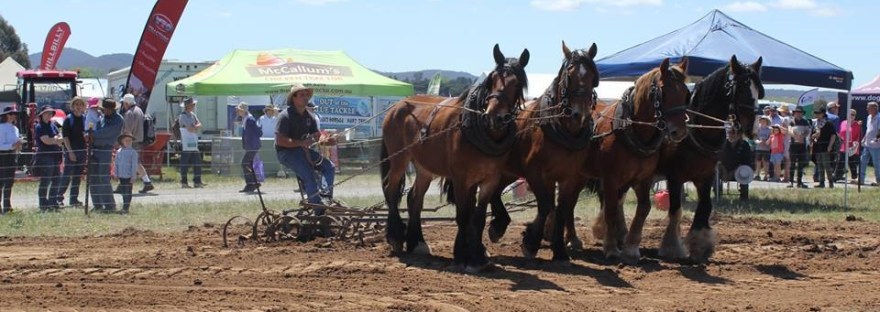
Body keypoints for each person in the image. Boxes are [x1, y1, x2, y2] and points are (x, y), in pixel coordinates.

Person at [275, 84, 335, 212]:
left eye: (307, 95)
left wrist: (325, 139)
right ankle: (319, 210)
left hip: (301, 151)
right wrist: (301, 143)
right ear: (294, 98)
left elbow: (317, 135)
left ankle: (325, 197)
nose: (306, 97)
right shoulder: (285, 116)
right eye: (302, 95)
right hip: (286, 153)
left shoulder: (309, 116)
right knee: (309, 174)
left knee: (329, 166)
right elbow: (280, 140)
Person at [90, 99, 123, 212]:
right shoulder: (102, 118)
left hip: (105, 149)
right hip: (95, 148)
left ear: (113, 109)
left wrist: (93, 135)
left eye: (108, 109)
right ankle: (97, 205)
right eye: (105, 109)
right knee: (93, 178)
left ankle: (109, 205)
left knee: (103, 177)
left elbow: (108, 132)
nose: (106, 111)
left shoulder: (118, 120)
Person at [120, 93, 155, 193]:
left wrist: (123, 141)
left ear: (127, 103)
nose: (123, 105)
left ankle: (125, 185)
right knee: (135, 163)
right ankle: (146, 182)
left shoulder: (129, 113)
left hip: (131, 141)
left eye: (124, 103)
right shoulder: (139, 110)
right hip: (138, 140)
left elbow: (128, 130)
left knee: (130, 163)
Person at [57, 97, 87, 207]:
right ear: (72, 106)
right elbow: (65, 137)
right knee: (66, 175)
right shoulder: (68, 119)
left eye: (81, 104)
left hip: (82, 151)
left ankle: (74, 199)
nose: (78, 107)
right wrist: (70, 152)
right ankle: (58, 197)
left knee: (77, 177)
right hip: (71, 151)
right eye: (76, 104)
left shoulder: (85, 119)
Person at [34, 105, 64, 211]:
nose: (49, 115)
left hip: (55, 156)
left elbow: (60, 136)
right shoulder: (39, 127)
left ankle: (53, 201)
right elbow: (46, 141)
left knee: (56, 180)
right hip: (45, 156)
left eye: (50, 113)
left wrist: (56, 139)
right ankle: (43, 204)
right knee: (45, 181)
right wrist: (56, 139)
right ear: (42, 115)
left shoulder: (53, 125)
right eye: (47, 113)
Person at [0, 107, 24, 213]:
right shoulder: (1, 127)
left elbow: (15, 143)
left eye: (14, 114)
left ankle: (7, 206)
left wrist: (18, 145)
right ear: (5, 115)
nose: (13, 116)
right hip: (2, 156)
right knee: (1, 182)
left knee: (9, 182)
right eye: (10, 114)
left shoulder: (15, 128)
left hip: (12, 156)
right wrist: (12, 145)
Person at [178, 97, 206, 188]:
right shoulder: (182, 116)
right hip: (186, 143)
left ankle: (197, 181)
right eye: (192, 105)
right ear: (188, 106)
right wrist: (195, 127)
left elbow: (200, 124)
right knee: (184, 163)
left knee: (197, 161)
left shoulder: (193, 115)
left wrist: (194, 127)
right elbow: (189, 129)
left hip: (193, 142)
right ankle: (184, 182)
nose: (194, 106)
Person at [720, 127, 754, 200]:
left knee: (744, 171)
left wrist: (734, 171)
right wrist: (724, 170)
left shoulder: (745, 145)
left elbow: (747, 161)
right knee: (714, 170)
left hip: (739, 170)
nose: (730, 135)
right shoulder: (723, 144)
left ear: (739, 135)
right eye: (729, 133)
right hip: (723, 169)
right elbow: (718, 159)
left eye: (733, 133)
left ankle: (744, 196)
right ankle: (717, 194)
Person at [236, 102, 262, 193]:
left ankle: (252, 183)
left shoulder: (250, 120)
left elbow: (259, 132)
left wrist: (251, 142)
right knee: (247, 164)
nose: (238, 112)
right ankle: (253, 183)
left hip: (252, 146)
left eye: (240, 110)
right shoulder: (246, 119)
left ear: (244, 111)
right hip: (250, 146)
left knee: (244, 163)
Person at [812, 108, 837, 188]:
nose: (817, 115)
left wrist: (830, 146)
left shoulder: (828, 123)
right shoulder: (815, 123)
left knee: (827, 165)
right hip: (817, 146)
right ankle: (821, 182)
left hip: (826, 147)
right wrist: (813, 136)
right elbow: (812, 135)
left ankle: (830, 182)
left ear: (823, 114)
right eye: (816, 113)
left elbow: (833, 135)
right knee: (819, 165)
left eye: (818, 113)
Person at [788, 106, 812, 188]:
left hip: (802, 145)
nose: (798, 114)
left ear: (802, 113)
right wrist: (795, 136)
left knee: (801, 164)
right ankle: (791, 181)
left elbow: (808, 131)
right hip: (793, 145)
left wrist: (803, 136)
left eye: (800, 112)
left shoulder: (805, 122)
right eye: (797, 112)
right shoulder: (791, 121)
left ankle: (799, 182)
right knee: (792, 163)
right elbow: (789, 130)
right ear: (794, 113)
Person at [114, 131, 138, 214]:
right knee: (123, 192)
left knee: (128, 192)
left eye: (130, 141)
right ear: (122, 141)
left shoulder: (133, 152)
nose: (128, 142)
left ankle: (126, 208)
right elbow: (116, 164)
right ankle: (124, 207)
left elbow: (134, 165)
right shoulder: (118, 151)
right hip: (121, 175)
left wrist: (133, 176)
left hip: (128, 176)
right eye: (126, 140)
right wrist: (116, 174)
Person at [835, 109, 861, 183]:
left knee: (852, 163)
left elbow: (859, 136)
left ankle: (854, 177)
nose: (851, 116)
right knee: (840, 162)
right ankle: (837, 176)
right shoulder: (843, 122)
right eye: (850, 114)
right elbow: (840, 133)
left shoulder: (857, 125)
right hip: (843, 146)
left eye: (853, 115)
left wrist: (855, 145)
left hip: (852, 147)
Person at [859, 101, 880, 186]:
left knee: (877, 164)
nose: (866, 109)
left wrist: (876, 139)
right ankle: (861, 180)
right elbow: (868, 130)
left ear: (874, 108)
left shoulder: (879, 117)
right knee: (862, 161)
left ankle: (879, 181)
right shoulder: (869, 117)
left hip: (876, 145)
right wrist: (864, 139)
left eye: (868, 108)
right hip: (867, 144)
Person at [754, 116, 771, 181]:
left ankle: (766, 176)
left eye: (764, 120)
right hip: (758, 147)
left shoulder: (769, 129)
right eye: (761, 120)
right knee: (758, 162)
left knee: (766, 162)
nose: (763, 122)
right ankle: (757, 175)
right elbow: (755, 137)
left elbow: (771, 137)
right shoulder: (757, 129)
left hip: (766, 148)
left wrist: (766, 142)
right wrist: (758, 142)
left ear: (767, 122)